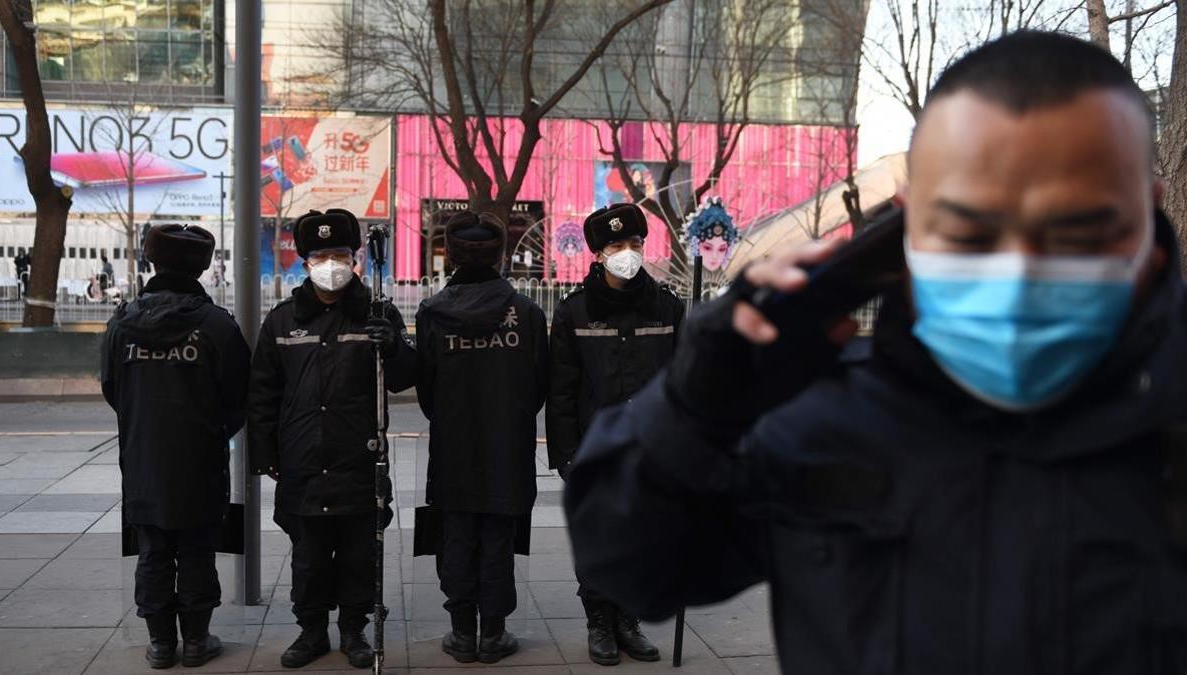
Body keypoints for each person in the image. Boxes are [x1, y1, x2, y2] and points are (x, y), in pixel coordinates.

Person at [564, 31, 1187, 674]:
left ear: (1147, 212)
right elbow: (629, 565)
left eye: (1075, 229)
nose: (1018, 272)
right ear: (907, 221)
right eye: (970, 229)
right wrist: (695, 406)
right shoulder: (825, 419)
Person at [247, 209, 416, 669]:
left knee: (361, 556)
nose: (331, 263)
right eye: (320, 254)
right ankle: (311, 632)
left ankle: (354, 630)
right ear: (304, 262)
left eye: (339, 253)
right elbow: (262, 392)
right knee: (310, 558)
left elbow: (404, 378)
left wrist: (395, 345)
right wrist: (265, 455)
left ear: (356, 257)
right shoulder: (283, 322)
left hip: (359, 461)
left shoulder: (379, 313)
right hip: (302, 462)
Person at [100, 224, 250, 669]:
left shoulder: (122, 322)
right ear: (203, 267)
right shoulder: (217, 326)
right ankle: (198, 642)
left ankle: (161, 643)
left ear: (153, 261)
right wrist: (213, 432)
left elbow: (112, 387)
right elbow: (239, 396)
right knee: (198, 550)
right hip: (201, 458)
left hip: (144, 458)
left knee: (154, 551)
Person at [546, 203, 684, 666]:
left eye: (634, 244)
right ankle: (599, 622)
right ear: (598, 253)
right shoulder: (574, 313)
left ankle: (628, 620)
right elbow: (561, 391)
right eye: (616, 246)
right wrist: (566, 456)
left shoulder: (667, 307)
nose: (627, 253)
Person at [415, 211, 549, 664]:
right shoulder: (527, 314)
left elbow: (426, 391)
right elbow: (538, 385)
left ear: (450, 255)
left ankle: (461, 632)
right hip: (506, 447)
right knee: (498, 538)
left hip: (452, 447)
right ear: (501, 254)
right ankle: (493, 634)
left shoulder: (433, 313)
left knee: (456, 538)